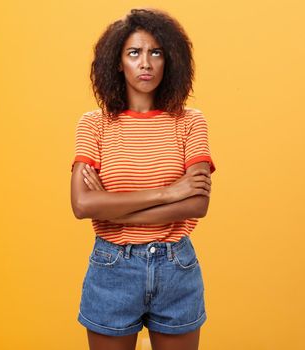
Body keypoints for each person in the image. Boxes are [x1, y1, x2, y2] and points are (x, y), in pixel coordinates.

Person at [70, 8, 216, 350]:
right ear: (119, 62)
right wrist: (170, 193)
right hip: (112, 268)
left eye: (155, 52)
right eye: (134, 53)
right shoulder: (95, 124)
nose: (146, 63)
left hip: (176, 267)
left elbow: (198, 203)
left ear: (169, 60)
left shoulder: (190, 122)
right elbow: (82, 204)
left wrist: (112, 208)